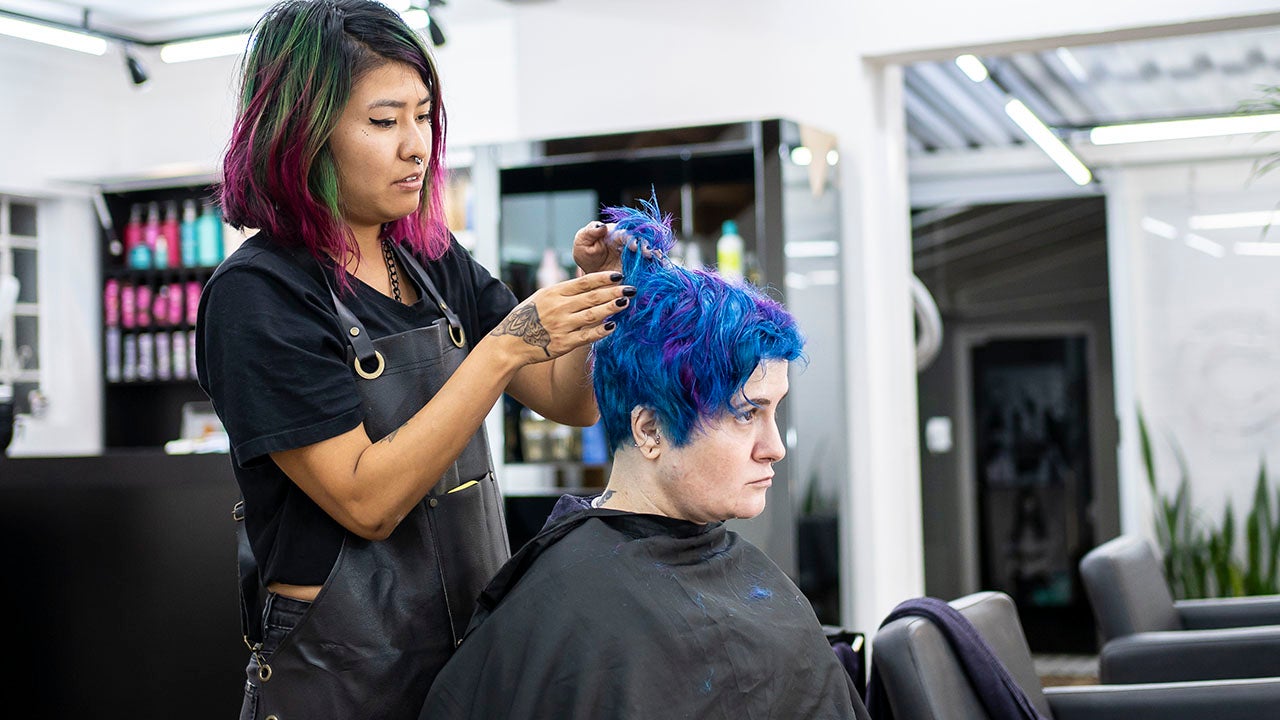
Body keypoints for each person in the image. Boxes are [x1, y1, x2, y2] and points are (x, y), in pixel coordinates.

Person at [195, 1, 628, 718]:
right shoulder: (259, 294)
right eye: (384, 119)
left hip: (467, 662)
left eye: (424, 115)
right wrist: (503, 347)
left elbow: (569, 399)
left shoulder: (429, 260)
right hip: (340, 681)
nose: (416, 146)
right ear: (302, 134)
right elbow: (366, 500)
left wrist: (592, 297)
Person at [420, 200, 871, 720]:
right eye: (748, 414)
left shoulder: (753, 580)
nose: (775, 447)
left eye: (774, 413)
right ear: (650, 429)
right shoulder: (566, 610)